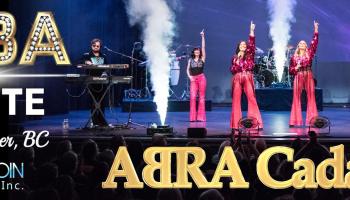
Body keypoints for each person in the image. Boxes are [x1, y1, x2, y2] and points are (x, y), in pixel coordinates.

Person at [230, 21, 263, 130]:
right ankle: (235, 124)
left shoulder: (250, 55)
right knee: (236, 100)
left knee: (251, 98)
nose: (243, 46)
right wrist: (237, 61)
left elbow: (252, 44)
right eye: (241, 45)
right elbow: (232, 69)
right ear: (238, 47)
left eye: (245, 45)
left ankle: (256, 122)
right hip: (237, 78)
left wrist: (251, 31)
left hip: (247, 77)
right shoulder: (235, 57)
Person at [289, 21, 319, 127]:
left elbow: (314, 43)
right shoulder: (293, 57)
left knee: (311, 96)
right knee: (296, 97)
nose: (302, 44)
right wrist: (295, 68)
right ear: (298, 46)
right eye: (300, 43)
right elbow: (290, 71)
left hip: (308, 74)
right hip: (298, 75)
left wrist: (316, 29)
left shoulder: (309, 53)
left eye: (304, 43)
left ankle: (312, 120)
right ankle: (295, 120)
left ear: (306, 46)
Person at [81, 38, 108, 126]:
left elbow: (107, 67)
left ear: (100, 47)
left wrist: (105, 72)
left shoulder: (103, 56)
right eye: (94, 46)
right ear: (91, 45)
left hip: (102, 81)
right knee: (93, 102)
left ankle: (102, 120)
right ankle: (94, 121)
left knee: (102, 102)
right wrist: (86, 62)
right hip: (91, 81)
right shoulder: (86, 55)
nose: (96, 47)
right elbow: (80, 62)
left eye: (98, 46)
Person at [187, 30, 206, 122]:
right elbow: (187, 69)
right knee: (193, 97)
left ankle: (201, 117)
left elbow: (203, 47)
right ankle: (192, 117)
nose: (197, 52)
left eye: (198, 51)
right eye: (196, 51)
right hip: (193, 79)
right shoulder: (190, 60)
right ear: (194, 52)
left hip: (201, 78)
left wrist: (202, 37)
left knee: (201, 97)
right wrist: (189, 76)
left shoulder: (202, 58)